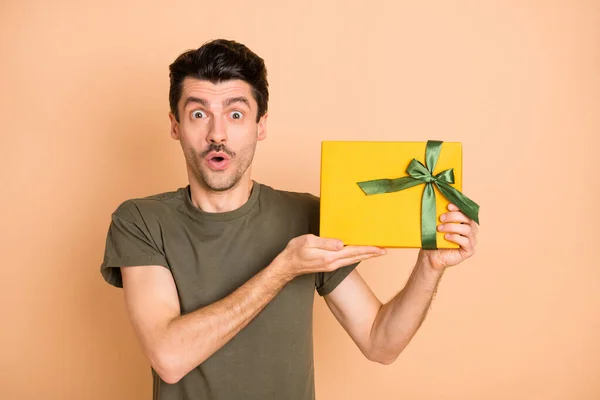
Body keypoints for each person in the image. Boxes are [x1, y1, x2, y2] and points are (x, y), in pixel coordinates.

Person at [100, 39, 479, 400]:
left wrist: (430, 266)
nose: (217, 134)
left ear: (260, 126)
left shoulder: (308, 215)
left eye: (235, 114)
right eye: (199, 114)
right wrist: (283, 269)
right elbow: (169, 358)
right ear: (175, 125)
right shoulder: (141, 221)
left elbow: (381, 343)